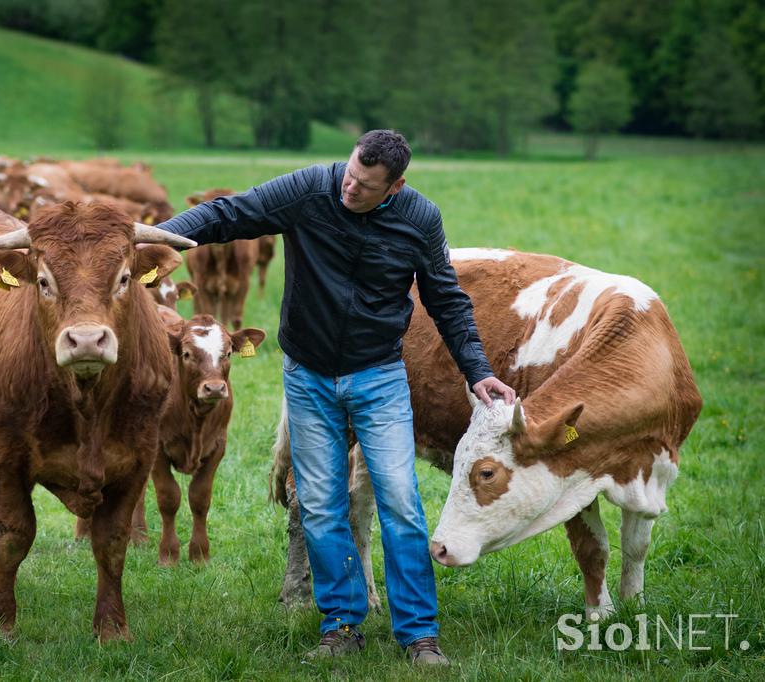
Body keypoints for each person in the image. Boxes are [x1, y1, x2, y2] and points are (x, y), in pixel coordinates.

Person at [154, 130, 515, 666]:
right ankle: (341, 625)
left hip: (379, 378)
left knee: (400, 503)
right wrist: (151, 237)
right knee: (321, 505)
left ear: (395, 186)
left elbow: (446, 298)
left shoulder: (419, 218)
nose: (350, 188)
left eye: (365, 186)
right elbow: (231, 213)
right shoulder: (312, 189)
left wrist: (478, 370)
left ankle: (419, 635)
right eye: (349, 174)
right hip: (308, 377)